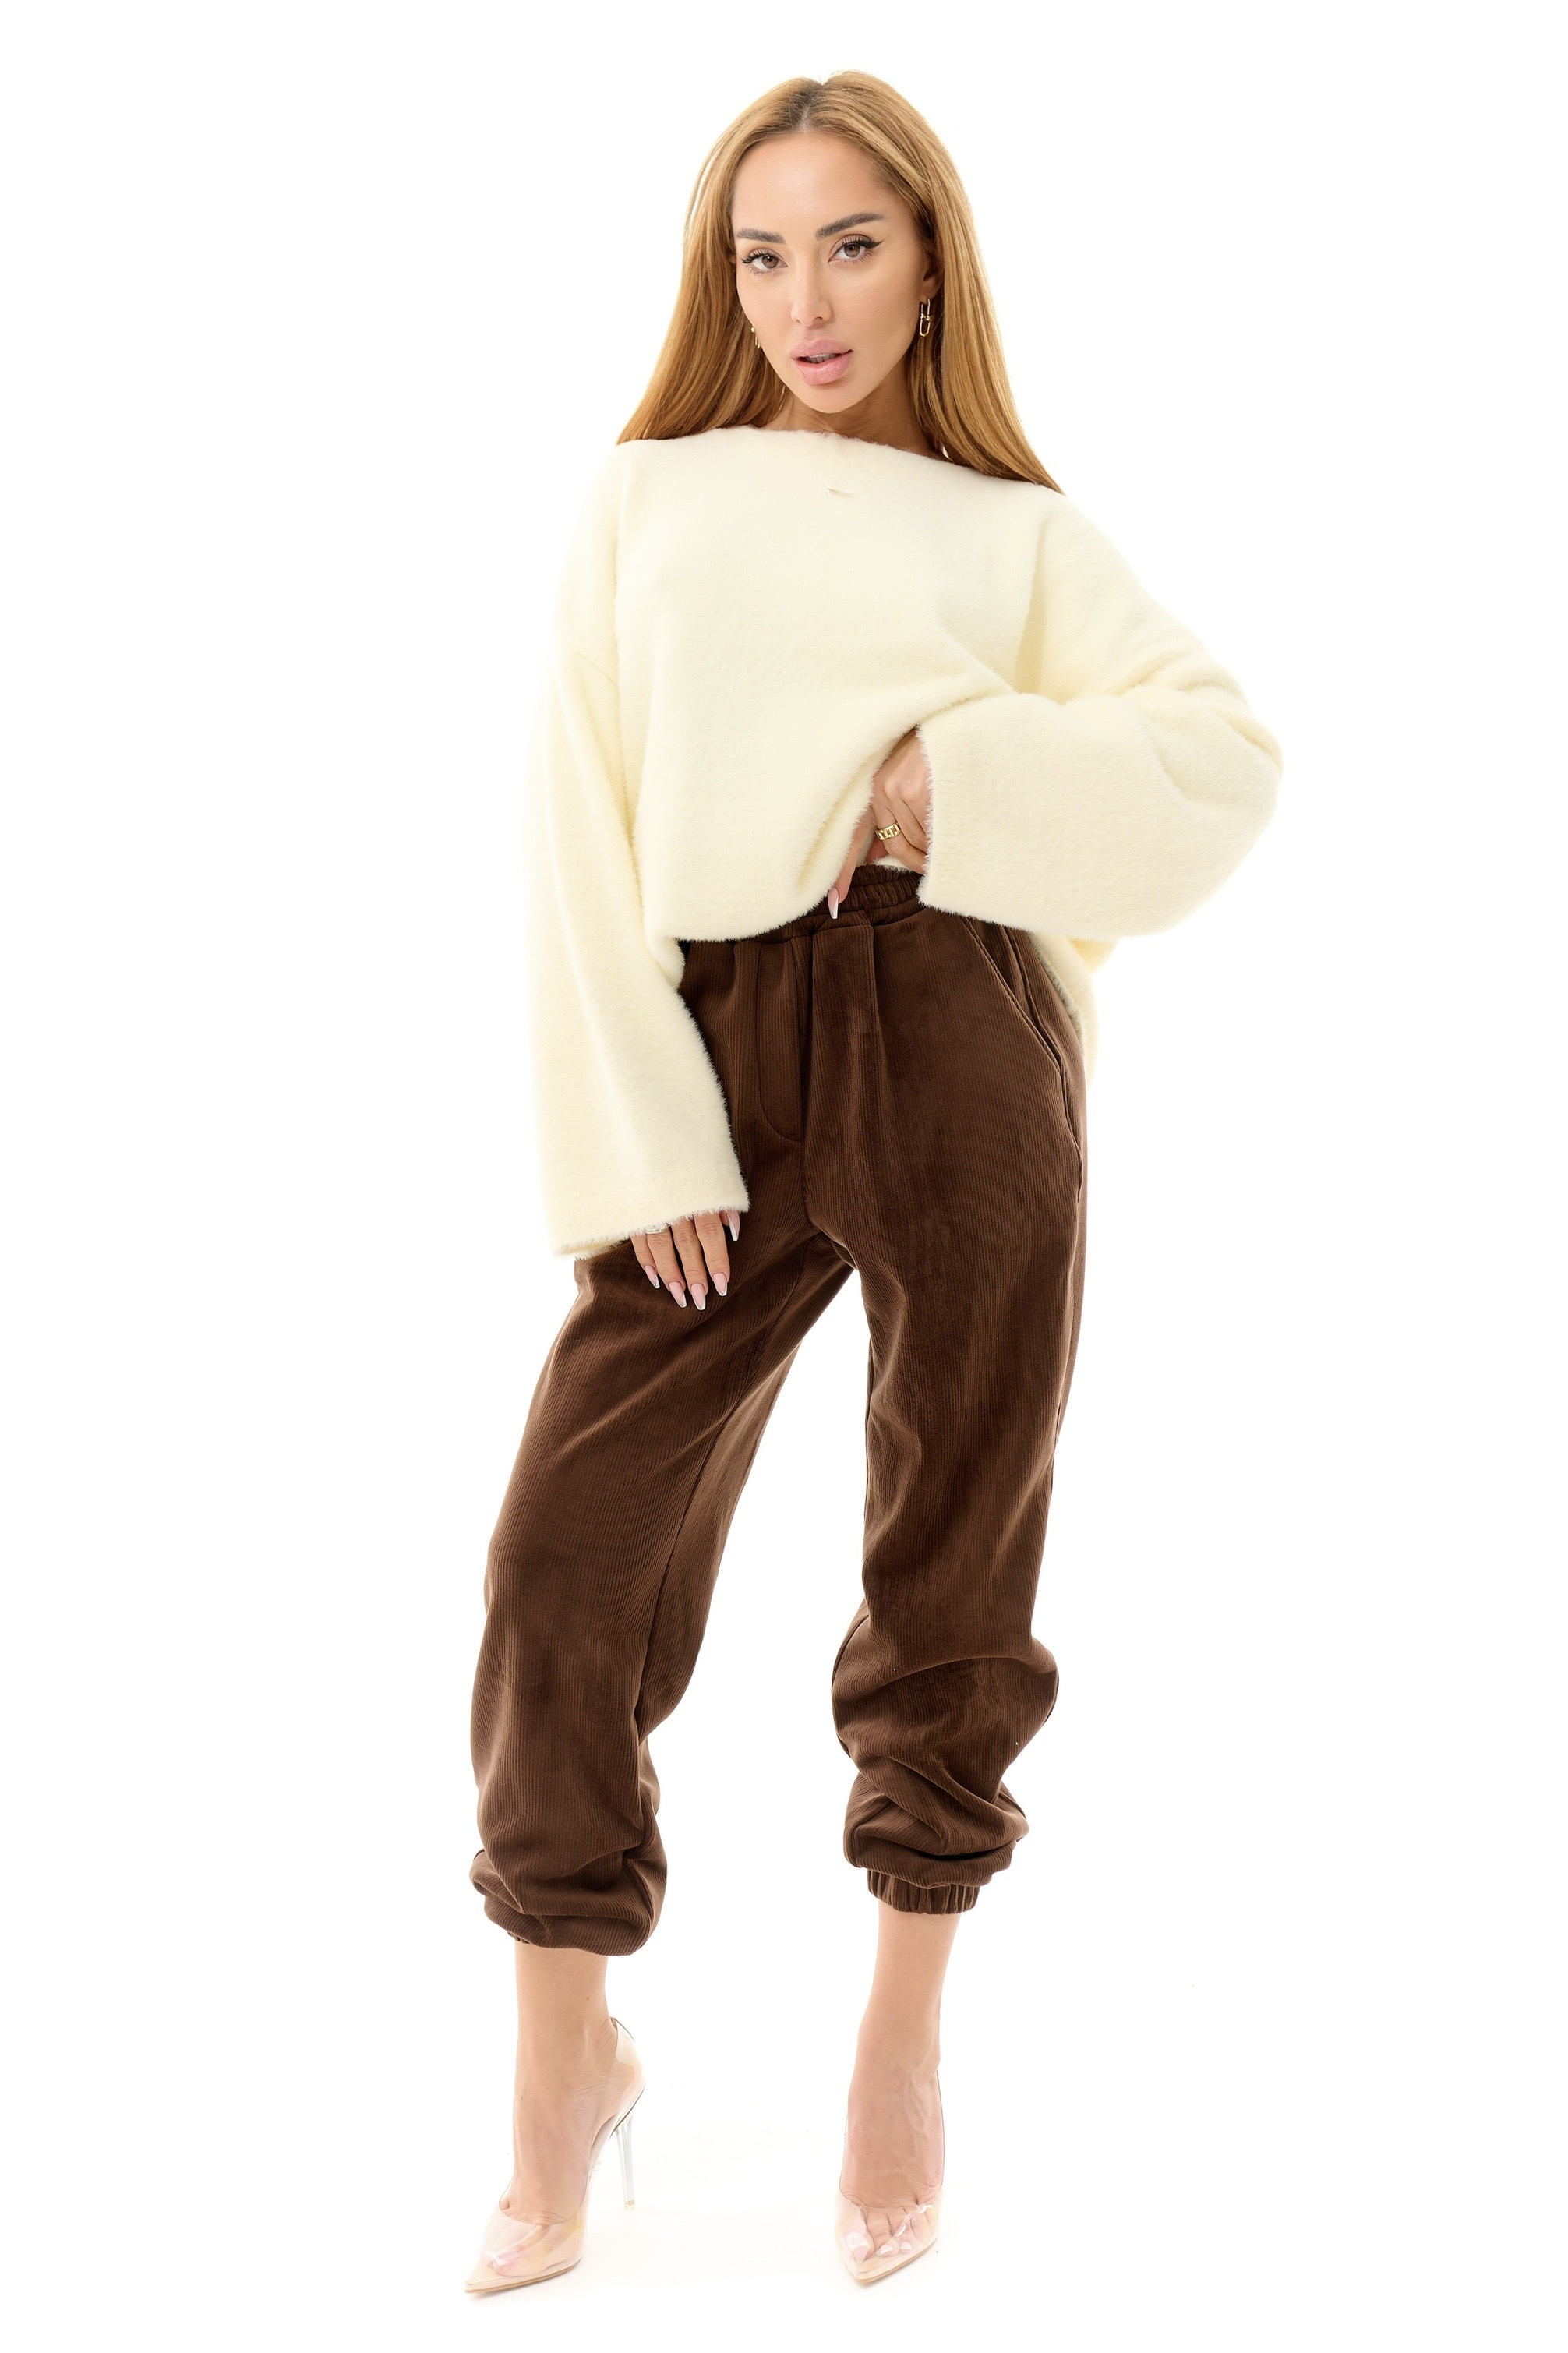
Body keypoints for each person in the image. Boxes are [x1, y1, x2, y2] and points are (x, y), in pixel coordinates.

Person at [463, 69, 1283, 2295]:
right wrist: (645, 1132)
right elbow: (571, 827)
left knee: (954, 1542)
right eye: (761, 254)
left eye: (849, 245)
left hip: (955, 1029)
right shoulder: (647, 493)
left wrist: (955, 776)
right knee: (561, 1561)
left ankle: (898, 2042)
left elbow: (1222, 756)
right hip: (714, 1056)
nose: (804, 300)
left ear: (929, 259)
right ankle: (561, 2064)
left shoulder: (1013, 534)